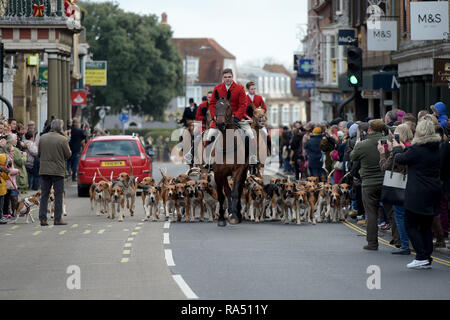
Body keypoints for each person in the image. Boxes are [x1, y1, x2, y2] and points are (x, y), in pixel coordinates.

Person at [393, 117, 441, 269]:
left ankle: (421, 255)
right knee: (426, 226)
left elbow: (400, 159)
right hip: (433, 190)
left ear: (419, 132)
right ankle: (426, 257)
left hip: (417, 192)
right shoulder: (439, 148)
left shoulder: (417, 150)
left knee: (411, 224)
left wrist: (396, 148)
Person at [378, 124, 413, 255]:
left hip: (399, 187)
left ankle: (404, 245)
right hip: (413, 185)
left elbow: (385, 167)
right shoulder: (412, 146)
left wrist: (382, 153)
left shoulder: (398, 150)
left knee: (399, 215)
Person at [350, 119, 385, 251]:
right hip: (385, 181)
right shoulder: (387, 141)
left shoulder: (362, 144)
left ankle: (372, 243)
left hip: (369, 183)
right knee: (392, 212)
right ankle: (400, 242)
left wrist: (357, 143)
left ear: (369, 129)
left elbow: (353, 157)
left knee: (371, 214)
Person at [38, 119, 72, 226]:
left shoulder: (42, 137)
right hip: (58, 171)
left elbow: (39, 153)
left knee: (44, 195)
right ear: (60, 128)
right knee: (58, 195)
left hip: (44, 170)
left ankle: (43, 218)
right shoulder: (63, 139)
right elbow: (68, 155)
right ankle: (57, 219)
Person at [0, 153, 9, 224]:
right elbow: (6, 178)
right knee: (0, 205)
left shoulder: (4, 168)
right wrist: (5, 172)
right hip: (1, 190)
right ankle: (0, 217)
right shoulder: (3, 169)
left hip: (2, 189)